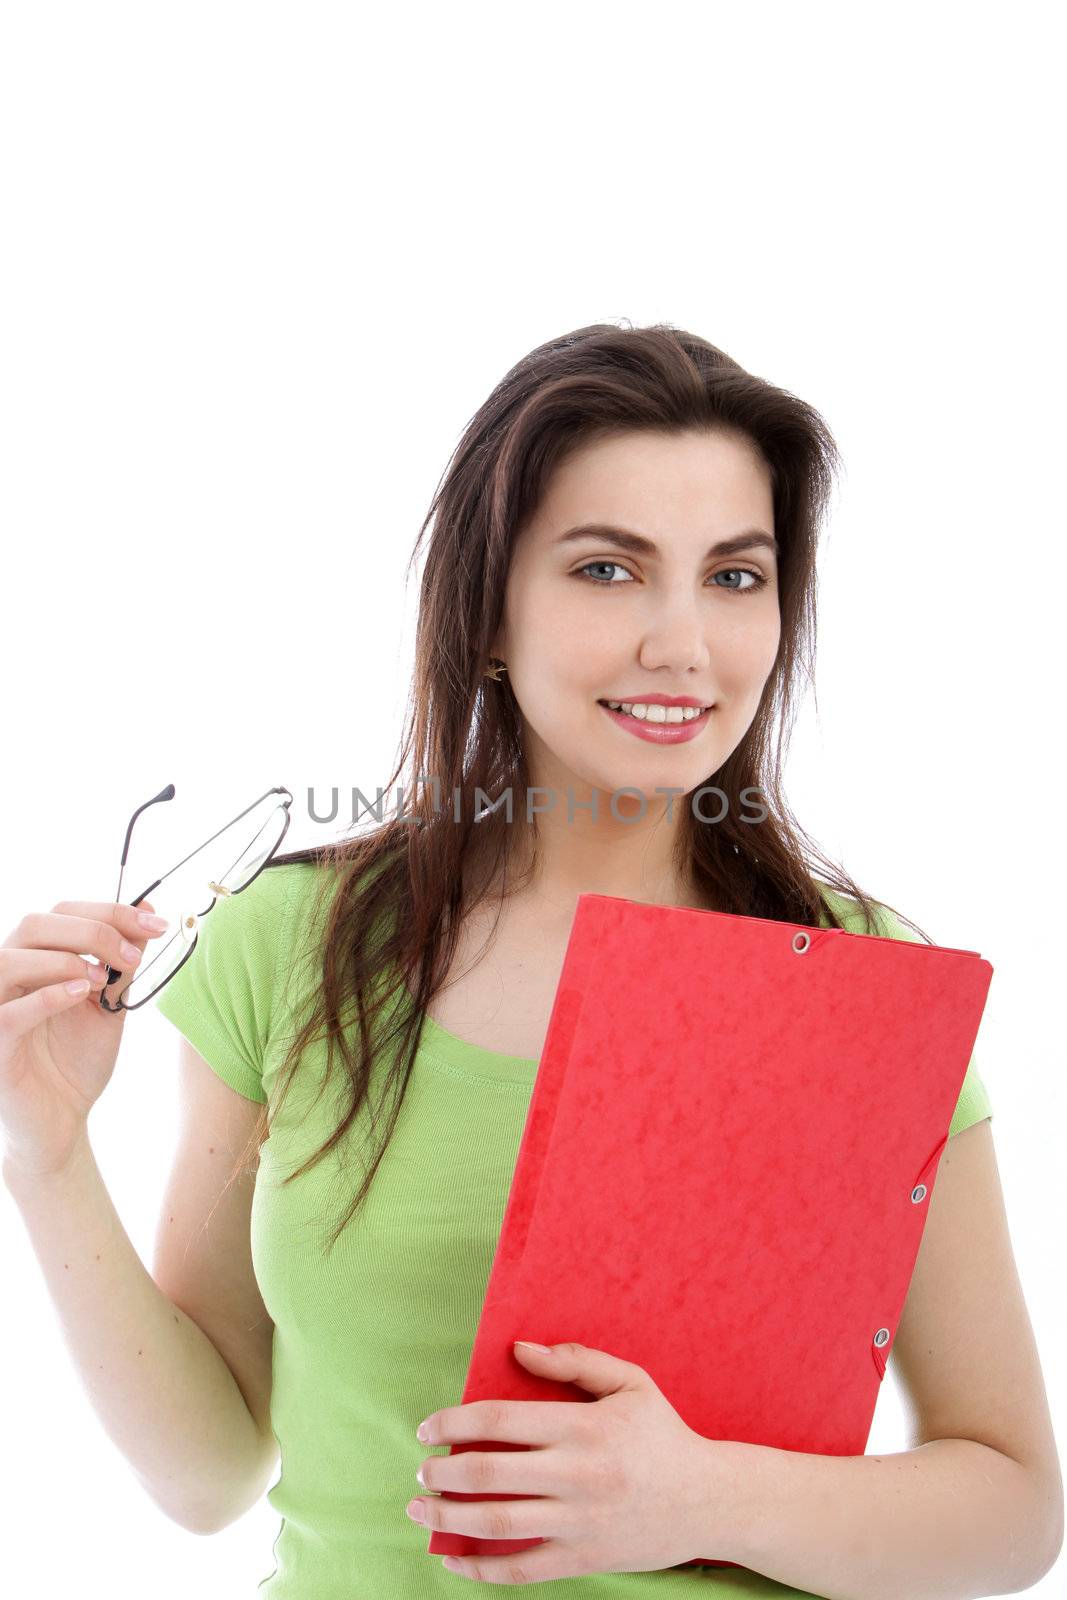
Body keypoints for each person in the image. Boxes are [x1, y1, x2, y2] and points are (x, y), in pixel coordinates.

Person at [2, 322, 1061, 1597]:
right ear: (488, 609)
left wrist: (702, 1495)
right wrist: (47, 1155)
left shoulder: (867, 983)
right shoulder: (290, 943)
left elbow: (1010, 1509)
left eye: (733, 576)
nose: (682, 643)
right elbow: (208, 1473)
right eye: (608, 569)